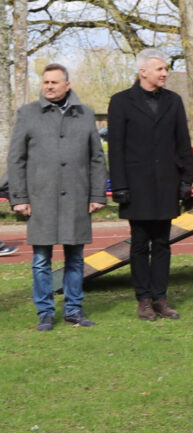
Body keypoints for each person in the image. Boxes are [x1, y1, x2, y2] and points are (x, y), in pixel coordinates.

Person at [7, 63, 108, 331]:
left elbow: (97, 158)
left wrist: (97, 194)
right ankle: (45, 312)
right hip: (41, 200)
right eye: (45, 82)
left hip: (77, 198)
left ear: (67, 85)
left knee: (75, 258)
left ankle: (74, 310)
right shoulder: (28, 114)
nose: (49, 86)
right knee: (41, 260)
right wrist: (19, 197)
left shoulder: (85, 114)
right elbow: (16, 159)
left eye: (54, 82)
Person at [107, 48, 193, 321]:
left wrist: (186, 181)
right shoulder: (121, 102)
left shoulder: (174, 101)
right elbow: (116, 149)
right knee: (139, 244)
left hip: (166, 184)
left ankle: (161, 298)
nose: (165, 73)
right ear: (143, 71)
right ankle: (143, 299)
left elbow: (183, 144)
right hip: (136, 186)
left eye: (165, 69)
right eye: (160, 69)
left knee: (162, 244)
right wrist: (119, 186)